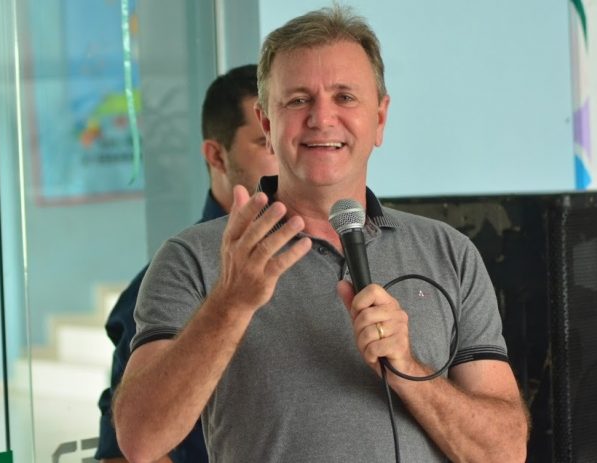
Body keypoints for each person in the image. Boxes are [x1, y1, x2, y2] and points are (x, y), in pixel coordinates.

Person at [113, 6, 529, 463]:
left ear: (380, 119)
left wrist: (408, 369)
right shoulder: (194, 258)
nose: (321, 118)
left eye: (345, 97)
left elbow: (506, 453)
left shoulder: (449, 252)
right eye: (297, 100)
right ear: (267, 124)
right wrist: (230, 303)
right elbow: (140, 441)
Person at [94, 64, 277, 462]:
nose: (287, 157)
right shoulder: (175, 276)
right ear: (216, 155)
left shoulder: (326, 256)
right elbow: (126, 453)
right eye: (266, 143)